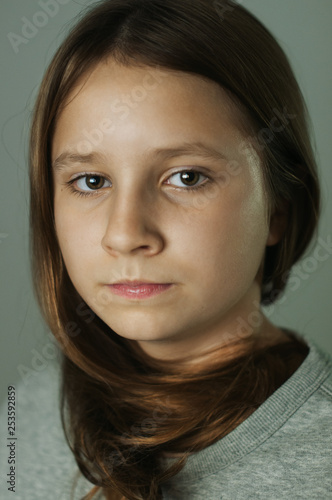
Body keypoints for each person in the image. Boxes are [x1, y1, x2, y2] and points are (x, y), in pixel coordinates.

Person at [10, 0, 332, 499]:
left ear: (278, 210)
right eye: (91, 181)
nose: (125, 234)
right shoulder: (20, 415)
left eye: (186, 177)